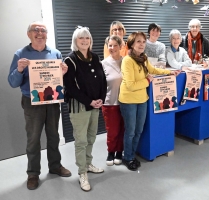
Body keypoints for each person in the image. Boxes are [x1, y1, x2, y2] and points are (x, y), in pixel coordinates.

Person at [7, 21, 71, 190]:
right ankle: (33, 173)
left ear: (47, 34)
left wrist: (63, 73)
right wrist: (19, 70)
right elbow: (13, 82)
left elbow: (59, 80)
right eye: (36, 30)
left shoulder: (56, 53)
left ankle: (55, 166)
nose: (40, 33)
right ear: (29, 34)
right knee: (33, 139)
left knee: (53, 135)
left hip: (52, 100)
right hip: (32, 102)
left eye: (43, 30)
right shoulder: (20, 54)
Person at [119, 31, 180, 171]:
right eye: (138, 41)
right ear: (132, 44)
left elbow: (153, 69)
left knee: (139, 130)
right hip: (129, 100)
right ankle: (127, 157)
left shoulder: (143, 58)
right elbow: (130, 85)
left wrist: (170, 72)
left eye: (143, 41)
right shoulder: (127, 60)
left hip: (142, 99)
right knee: (130, 131)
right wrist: (147, 80)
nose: (141, 44)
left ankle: (132, 155)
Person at [63, 26, 107, 191]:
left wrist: (101, 98)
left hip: (95, 105)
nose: (84, 41)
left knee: (91, 138)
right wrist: (90, 101)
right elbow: (71, 88)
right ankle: (82, 173)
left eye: (87, 38)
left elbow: (103, 80)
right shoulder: (71, 60)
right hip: (80, 107)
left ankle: (88, 164)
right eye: (81, 38)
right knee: (81, 141)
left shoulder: (95, 57)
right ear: (75, 41)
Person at [102, 35, 124, 166]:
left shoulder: (126, 61)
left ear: (121, 46)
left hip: (126, 102)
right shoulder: (103, 63)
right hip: (110, 102)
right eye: (110, 45)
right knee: (112, 131)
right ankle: (111, 152)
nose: (113, 48)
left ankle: (119, 152)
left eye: (115, 45)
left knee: (123, 129)